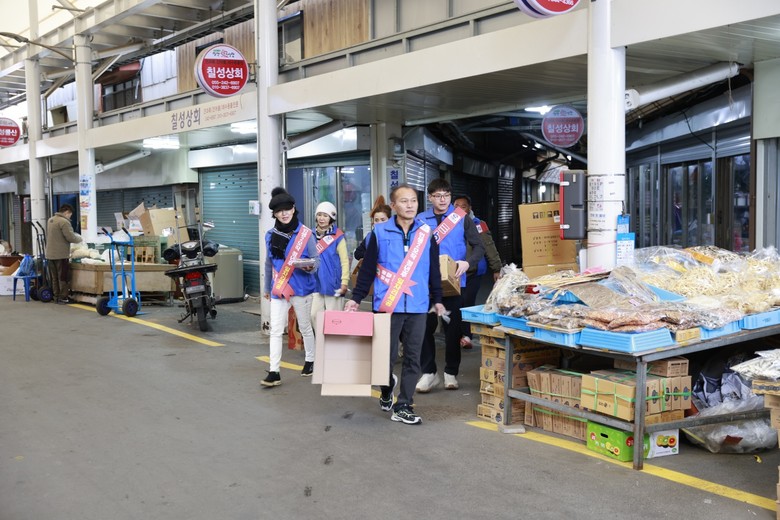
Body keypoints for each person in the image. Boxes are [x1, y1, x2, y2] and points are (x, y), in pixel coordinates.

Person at [345, 184, 445, 425]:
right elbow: (368, 270)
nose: (410, 205)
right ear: (393, 205)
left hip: (418, 306)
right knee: (384, 359)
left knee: (413, 357)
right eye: (404, 201)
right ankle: (387, 386)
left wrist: (438, 300)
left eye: (413, 201)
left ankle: (404, 405)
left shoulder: (427, 233)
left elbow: (434, 270)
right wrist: (356, 299)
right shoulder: (379, 233)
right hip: (387, 306)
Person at [416, 179, 484, 392]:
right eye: (438, 196)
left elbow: (479, 246)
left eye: (446, 195)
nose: (442, 199)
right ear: (430, 198)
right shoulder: (420, 219)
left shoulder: (461, 218)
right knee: (423, 328)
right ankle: (429, 372)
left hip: (454, 283)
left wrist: (468, 263)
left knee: (453, 330)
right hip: (426, 284)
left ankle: (450, 373)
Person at [262, 187, 319, 387]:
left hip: (301, 287)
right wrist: (266, 288)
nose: (284, 214)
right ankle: (274, 371)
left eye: (287, 209)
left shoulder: (306, 234)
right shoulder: (270, 235)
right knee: (276, 330)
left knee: (304, 326)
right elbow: (268, 263)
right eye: (279, 211)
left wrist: (310, 266)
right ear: (274, 214)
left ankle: (311, 359)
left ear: (294, 209)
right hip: (279, 288)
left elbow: (316, 261)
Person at [452, 194, 503, 349]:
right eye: (456, 206)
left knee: (467, 303)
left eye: (463, 206)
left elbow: (489, 246)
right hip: (453, 273)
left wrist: (496, 268)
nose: (459, 209)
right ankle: (455, 335)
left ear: (469, 208)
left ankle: (467, 335)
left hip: (472, 272)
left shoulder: (478, 224)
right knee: (454, 304)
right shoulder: (447, 224)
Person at [310, 201, 350, 326]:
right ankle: (320, 338)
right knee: (314, 315)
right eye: (319, 215)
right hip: (315, 283)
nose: (321, 218)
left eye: (325, 215)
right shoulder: (310, 235)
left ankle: (332, 339)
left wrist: (344, 282)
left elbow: (344, 261)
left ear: (331, 218)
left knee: (334, 320)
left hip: (333, 283)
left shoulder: (338, 236)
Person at [45, 203, 83, 304]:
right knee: (63, 277)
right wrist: (80, 238)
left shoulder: (51, 220)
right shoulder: (64, 222)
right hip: (60, 255)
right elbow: (70, 237)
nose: (70, 216)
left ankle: (56, 297)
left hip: (50, 254)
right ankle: (63, 297)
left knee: (54, 277)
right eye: (70, 214)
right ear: (67, 212)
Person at [353, 195, 391, 261]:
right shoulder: (370, 236)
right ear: (373, 222)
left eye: (383, 220)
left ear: (389, 220)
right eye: (376, 220)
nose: (379, 223)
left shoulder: (395, 235)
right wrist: (371, 255)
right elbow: (357, 253)